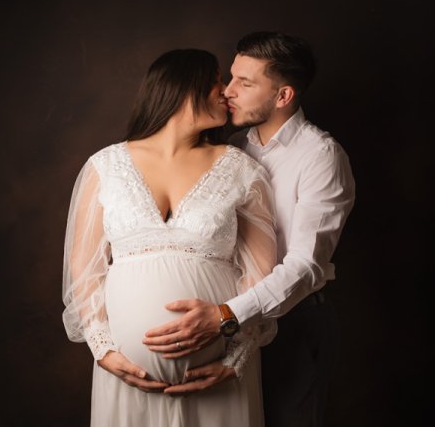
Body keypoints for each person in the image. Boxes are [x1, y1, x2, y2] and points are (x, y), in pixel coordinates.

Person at [142, 32, 356, 427]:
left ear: (283, 96)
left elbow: (305, 266)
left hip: (292, 326)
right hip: (226, 330)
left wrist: (226, 316)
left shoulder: (320, 157)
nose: (228, 91)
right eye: (231, 77)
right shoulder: (234, 147)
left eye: (245, 82)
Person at [62, 49, 277, 426]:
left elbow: (262, 276)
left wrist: (236, 358)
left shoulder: (242, 169)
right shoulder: (106, 166)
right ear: (182, 85)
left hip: (219, 375)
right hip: (126, 379)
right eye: (216, 81)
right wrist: (104, 349)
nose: (226, 92)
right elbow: (84, 269)